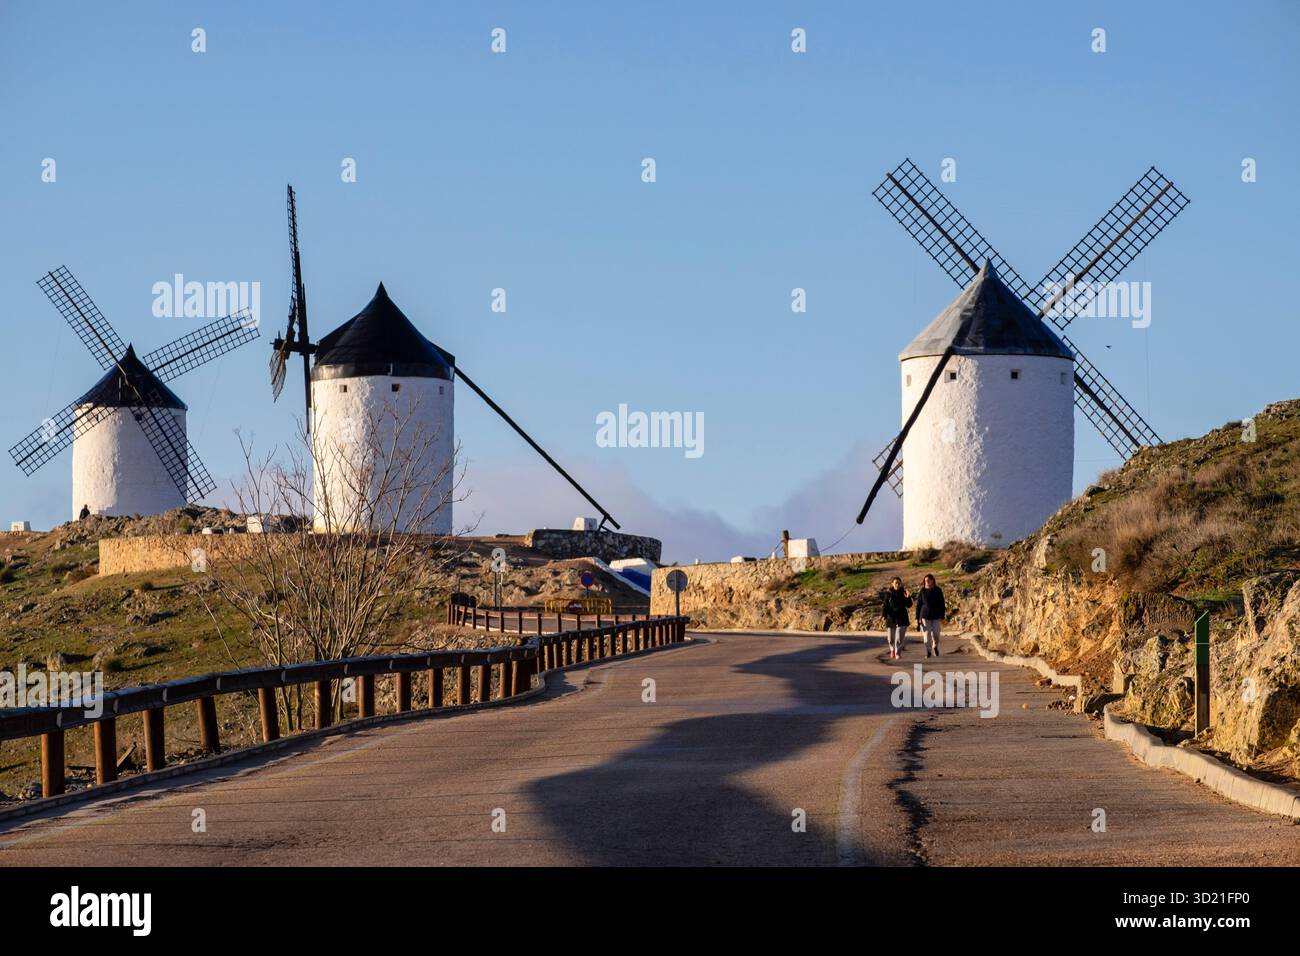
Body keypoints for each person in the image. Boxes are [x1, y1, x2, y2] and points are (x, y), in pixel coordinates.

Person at [881, 577, 912, 660]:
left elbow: (909, 605)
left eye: (899, 583)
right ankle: (892, 649)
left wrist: (908, 597)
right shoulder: (888, 593)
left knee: (899, 637)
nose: (897, 585)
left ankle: (897, 652)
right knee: (890, 638)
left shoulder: (904, 592)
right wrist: (884, 615)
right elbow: (885, 605)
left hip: (902, 617)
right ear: (892, 584)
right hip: (891, 617)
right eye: (896, 583)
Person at [916, 573, 946, 658]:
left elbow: (942, 603)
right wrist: (918, 617)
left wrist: (942, 615)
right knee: (927, 634)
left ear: (933, 581)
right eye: (925, 580)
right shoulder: (922, 591)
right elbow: (919, 605)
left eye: (929, 580)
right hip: (925, 615)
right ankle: (928, 651)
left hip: (936, 615)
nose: (927, 581)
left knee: (936, 634)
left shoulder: (938, 590)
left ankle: (935, 646)